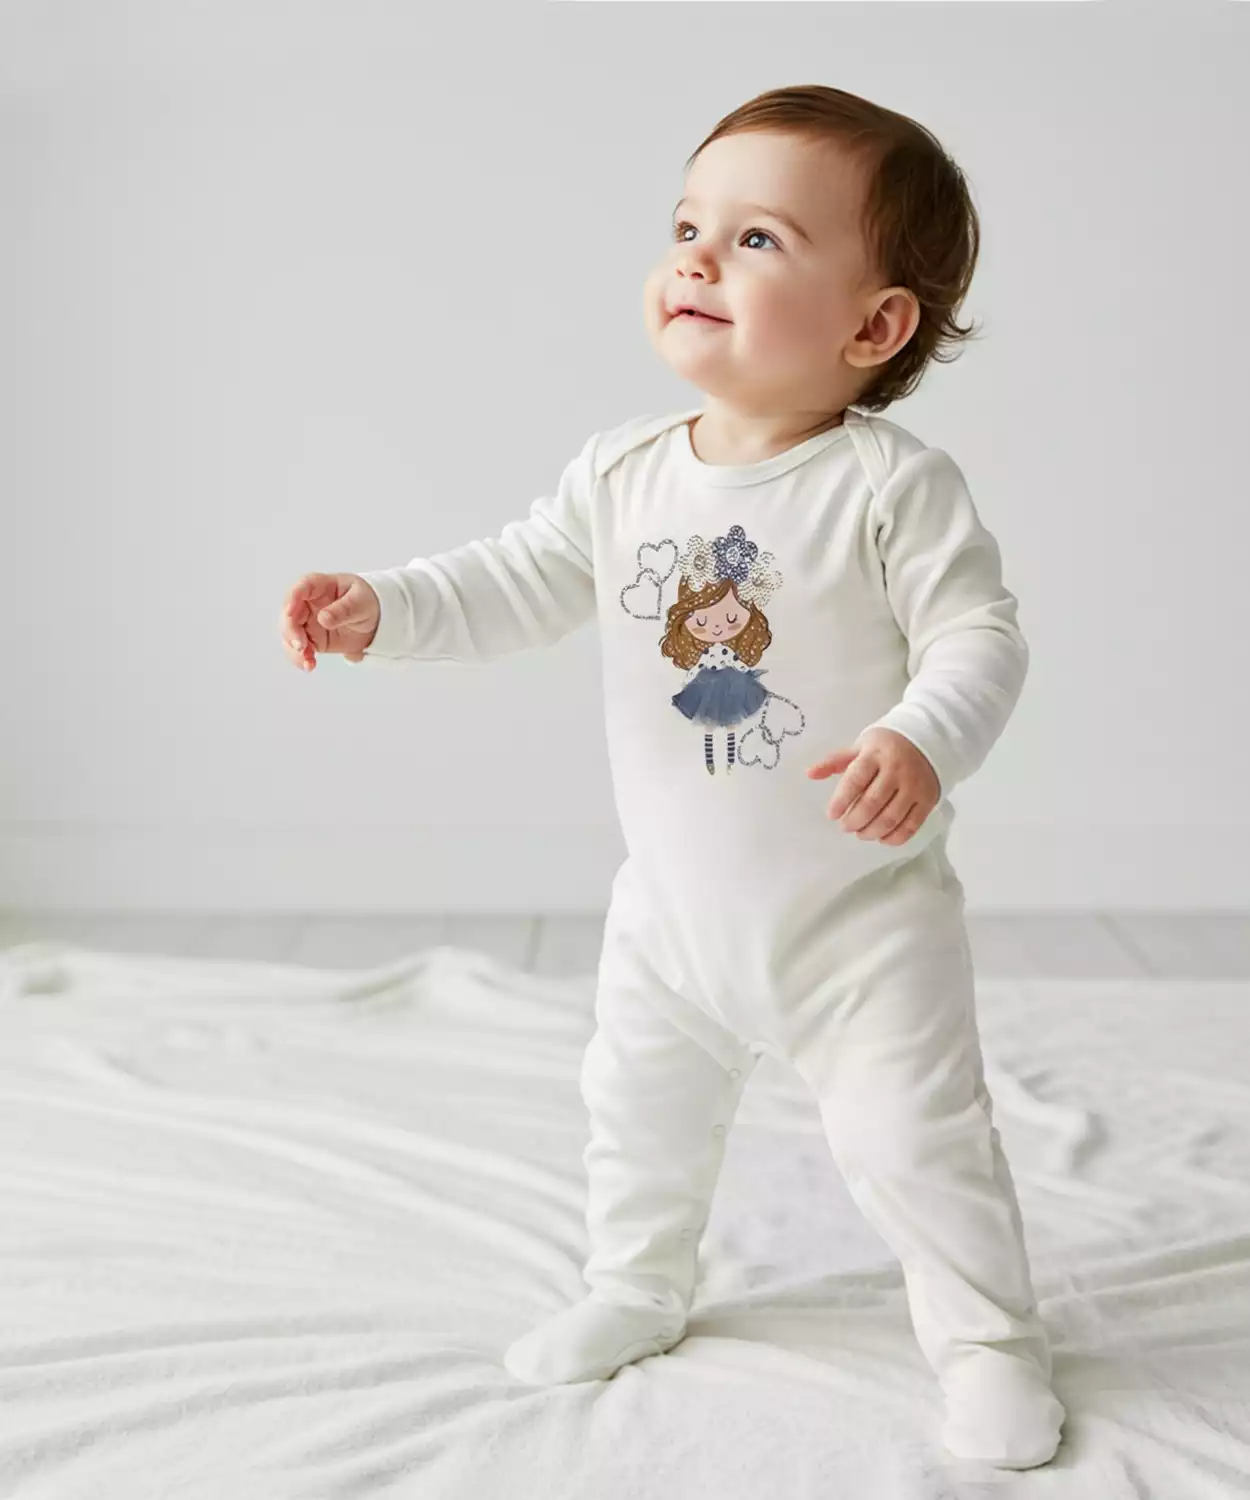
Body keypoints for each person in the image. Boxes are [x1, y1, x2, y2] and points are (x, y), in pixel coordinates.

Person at [278, 84, 1065, 1471]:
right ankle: (635, 1284)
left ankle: (988, 1344)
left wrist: (920, 737)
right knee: (634, 1109)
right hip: (673, 914)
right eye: (688, 225)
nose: (697, 257)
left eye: (757, 240)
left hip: (858, 924)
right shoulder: (623, 472)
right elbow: (513, 580)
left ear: (873, 327)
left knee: (913, 1140)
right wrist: (382, 609)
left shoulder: (888, 486)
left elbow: (977, 638)